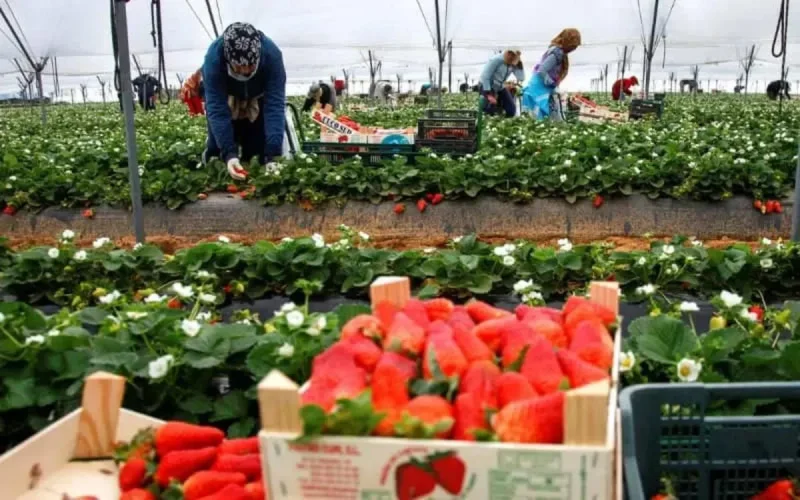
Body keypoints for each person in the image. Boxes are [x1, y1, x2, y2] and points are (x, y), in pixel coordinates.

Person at [202, 22, 286, 181]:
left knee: (257, 148)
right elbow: (216, 108)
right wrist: (229, 154)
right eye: (239, 66)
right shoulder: (213, 59)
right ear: (228, 59)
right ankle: (215, 173)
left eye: (251, 65)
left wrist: (273, 154)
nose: (245, 71)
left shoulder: (272, 55)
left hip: (257, 98)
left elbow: (274, 105)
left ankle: (257, 174)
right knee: (217, 148)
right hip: (228, 98)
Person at [521, 29, 582, 121]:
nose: (574, 48)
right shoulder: (557, 53)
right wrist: (551, 83)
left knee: (548, 119)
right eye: (573, 45)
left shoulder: (556, 51)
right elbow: (542, 70)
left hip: (541, 88)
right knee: (541, 121)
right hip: (539, 90)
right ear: (567, 42)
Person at [479, 50, 524, 117]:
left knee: (511, 109)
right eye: (512, 58)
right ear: (508, 54)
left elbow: (521, 78)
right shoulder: (496, 60)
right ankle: (487, 123)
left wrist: (519, 65)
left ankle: (507, 124)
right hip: (487, 85)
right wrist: (489, 95)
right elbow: (485, 77)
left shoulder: (513, 62)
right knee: (489, 110)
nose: (511, 64)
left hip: (500, 86)